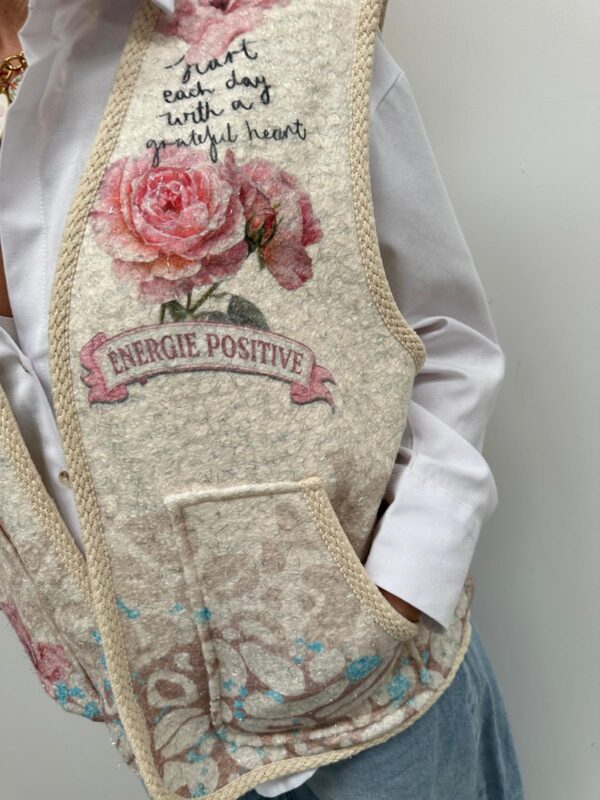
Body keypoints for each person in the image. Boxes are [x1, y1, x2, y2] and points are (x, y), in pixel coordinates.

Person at [0, 1, 524, 798]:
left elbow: (447, 335)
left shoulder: (296, 34)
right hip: (156, 740)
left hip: (379, 725)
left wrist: (403, 588)